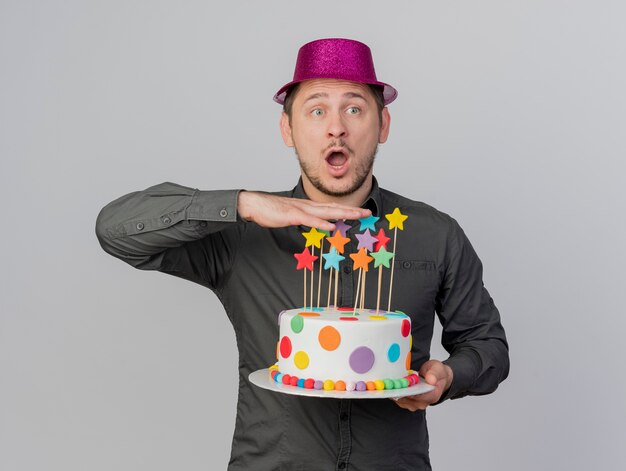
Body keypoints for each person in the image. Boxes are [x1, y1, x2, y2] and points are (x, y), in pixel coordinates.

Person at [96, 38, 509, 470]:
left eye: (354, 108)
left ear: (383, 124)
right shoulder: (243, 234)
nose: (336, 128)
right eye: (316, 110)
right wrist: (244, 204)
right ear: (287, 129)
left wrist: (448, 377)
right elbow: (114, 230)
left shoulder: (435, 234)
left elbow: (488, 347)